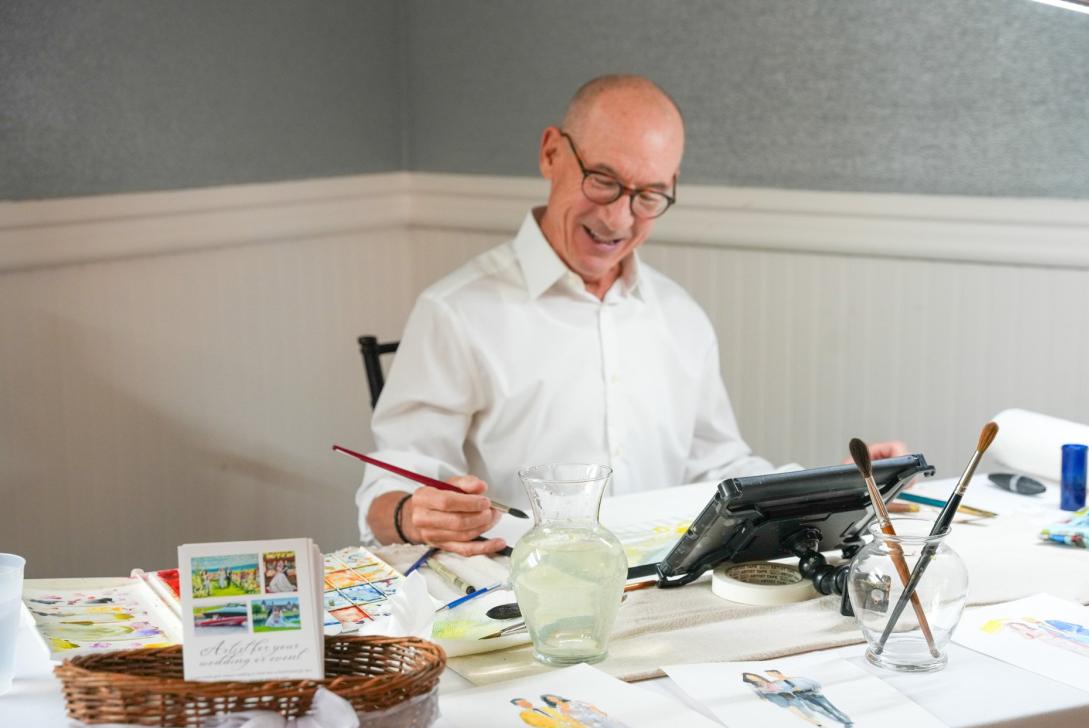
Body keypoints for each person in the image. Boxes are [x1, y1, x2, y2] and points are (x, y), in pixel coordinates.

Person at [357, 74, 905, 552]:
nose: (619, 217)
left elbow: (718, 472)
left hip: (666, 584)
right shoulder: (455, 311)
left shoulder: (679, 314)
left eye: (648, 196)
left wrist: (835, 488)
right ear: (551, 153)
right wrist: (412, 516)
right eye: (603, 180)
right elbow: (385, 498)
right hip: (520, 595)